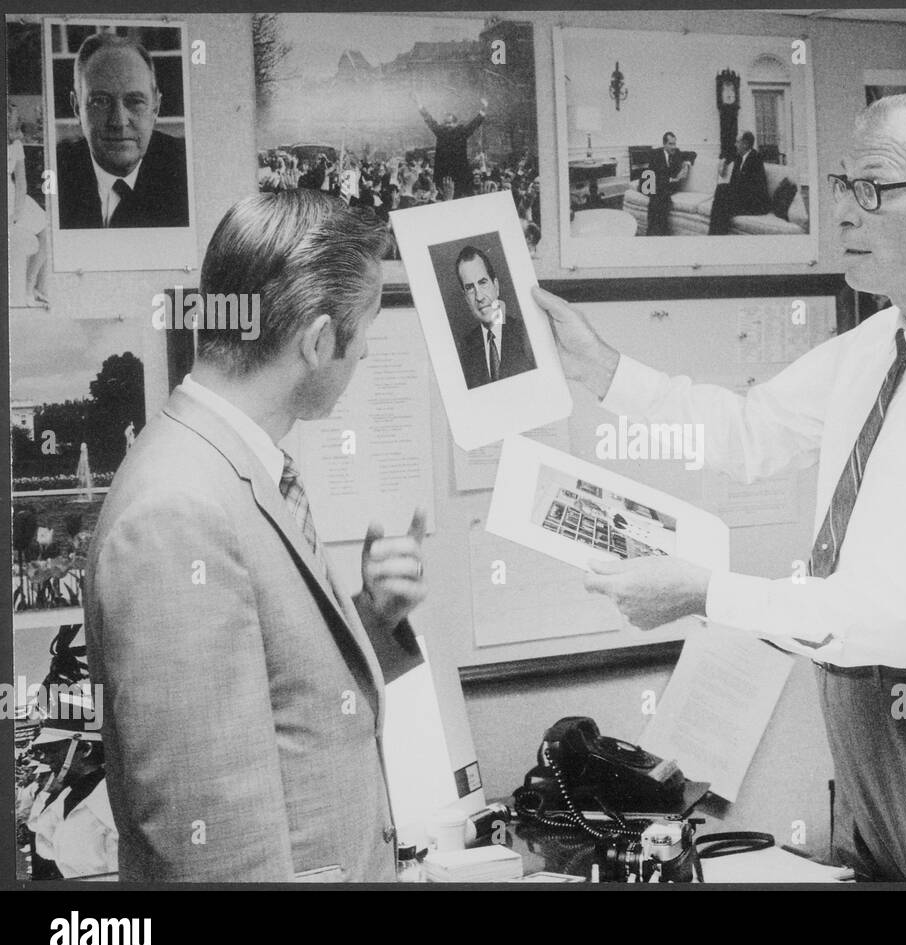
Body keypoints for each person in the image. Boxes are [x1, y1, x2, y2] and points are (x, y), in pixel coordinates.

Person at [532, 91, 906, 881]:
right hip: (872, 715)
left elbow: (897, 617)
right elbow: (751, 432)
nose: (842, 216)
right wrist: (607, 373)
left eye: (870, 189)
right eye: (840, 186)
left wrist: (704, 593)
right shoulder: (880, 341)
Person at [85, 190, 430, 882]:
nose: (364, 351)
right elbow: (210, 852)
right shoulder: (176, 511)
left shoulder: (230, 467)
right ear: (318, 340)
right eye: (363, 328)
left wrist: (367, 619)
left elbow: (270, 696)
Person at [55, 33, 188, 230]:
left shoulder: (185, 167)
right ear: (76, 107)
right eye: (100, 101)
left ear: (156, 107)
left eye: (135, 101)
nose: (118, 121)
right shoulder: (58, 169)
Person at [24, 692, 118, 880]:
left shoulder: (112, 800)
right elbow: (45, 846)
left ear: (85, 749)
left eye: (53, 750)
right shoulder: (67, 795)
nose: (47, 759)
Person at [452, 245, 535, 389]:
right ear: (465, 298)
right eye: (470, 288)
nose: (479, 297)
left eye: (483, 283)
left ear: (496, 286)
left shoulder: (527, 334)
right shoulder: (463, 351)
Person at [412, 89, 487, 197]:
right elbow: (429, 119)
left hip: (453, 174)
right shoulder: (444, 132)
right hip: (451, 174)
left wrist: (484, 108)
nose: (447, 125)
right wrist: (418, 103)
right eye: (445, 123)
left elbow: (475, 123)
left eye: (449, 123)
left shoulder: (456, 132)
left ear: (456, 123)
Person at [8, 110, 48, 305]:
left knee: (45, 230)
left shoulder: (15, 146)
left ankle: (32, 286)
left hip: (13, 195)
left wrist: (17, 210)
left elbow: (21, 182)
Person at [707, 131, 769, 235]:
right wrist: (724, 161)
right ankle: (716, 235)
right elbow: (733, 182)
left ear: (745, 144)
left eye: (737, 142)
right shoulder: (740, 158)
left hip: (755, 202)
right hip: (744, 197)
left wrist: (731, 195)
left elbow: (751, 188)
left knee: (722, 203)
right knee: (720, 193)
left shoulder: (756, 158)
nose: (735, 144)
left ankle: (715, 236)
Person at [645, 130, 692, 236]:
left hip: (667, 188)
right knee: (659, 194)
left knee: (659, 196)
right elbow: (652, 175)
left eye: (674, 143)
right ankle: (659, 231)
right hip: (656, 185)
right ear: (664, 144)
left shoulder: (677, 152)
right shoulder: (655, 154)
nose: (673, 147)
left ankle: (653, 231)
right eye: (670, 144)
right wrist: (670, 180)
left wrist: (687, 163)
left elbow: (693, 154)